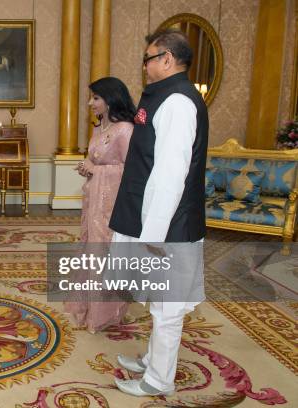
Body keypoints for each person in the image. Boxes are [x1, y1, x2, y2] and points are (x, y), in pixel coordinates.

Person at [108, 29, 208, 397]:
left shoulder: (179, 102)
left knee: (168, 309)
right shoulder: (167, 96)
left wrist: (152, 235)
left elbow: (170, 175)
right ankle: (153, 361)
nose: (144, 65)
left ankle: (158, 380)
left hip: (171, 228)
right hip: (156, 221)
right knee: (157, 302)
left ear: (167, 59)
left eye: (148, 57)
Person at [64, 77, 136, 332]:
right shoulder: (99, 128)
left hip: (112, 207)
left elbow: (132, 171)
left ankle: (106, 313)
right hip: (94, 200)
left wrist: (96, 169)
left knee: (105, 254)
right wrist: (88, 169)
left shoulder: (125, 129)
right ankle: (90, 309)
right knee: (91, 253)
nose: (89, 103)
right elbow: (97, 161)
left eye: (95, 98)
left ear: (111, 98)